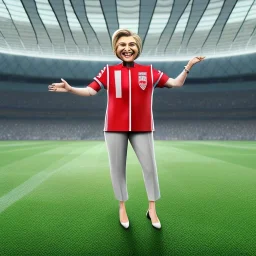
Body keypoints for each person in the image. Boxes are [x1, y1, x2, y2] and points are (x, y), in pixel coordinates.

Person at [48, 29, 205, 229]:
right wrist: (70, 89)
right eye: (122, 45)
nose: (127, 48)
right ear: (116, 48)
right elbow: (90, 91)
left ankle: (152, 209)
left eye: (131, 45)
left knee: (150, 168)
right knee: (117, 169)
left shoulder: (149, 71)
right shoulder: (108, 71)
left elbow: (175, 83)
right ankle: (122, 206)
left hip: (143, 126)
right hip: (114, 127)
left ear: (137, 48)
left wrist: (188, 66)